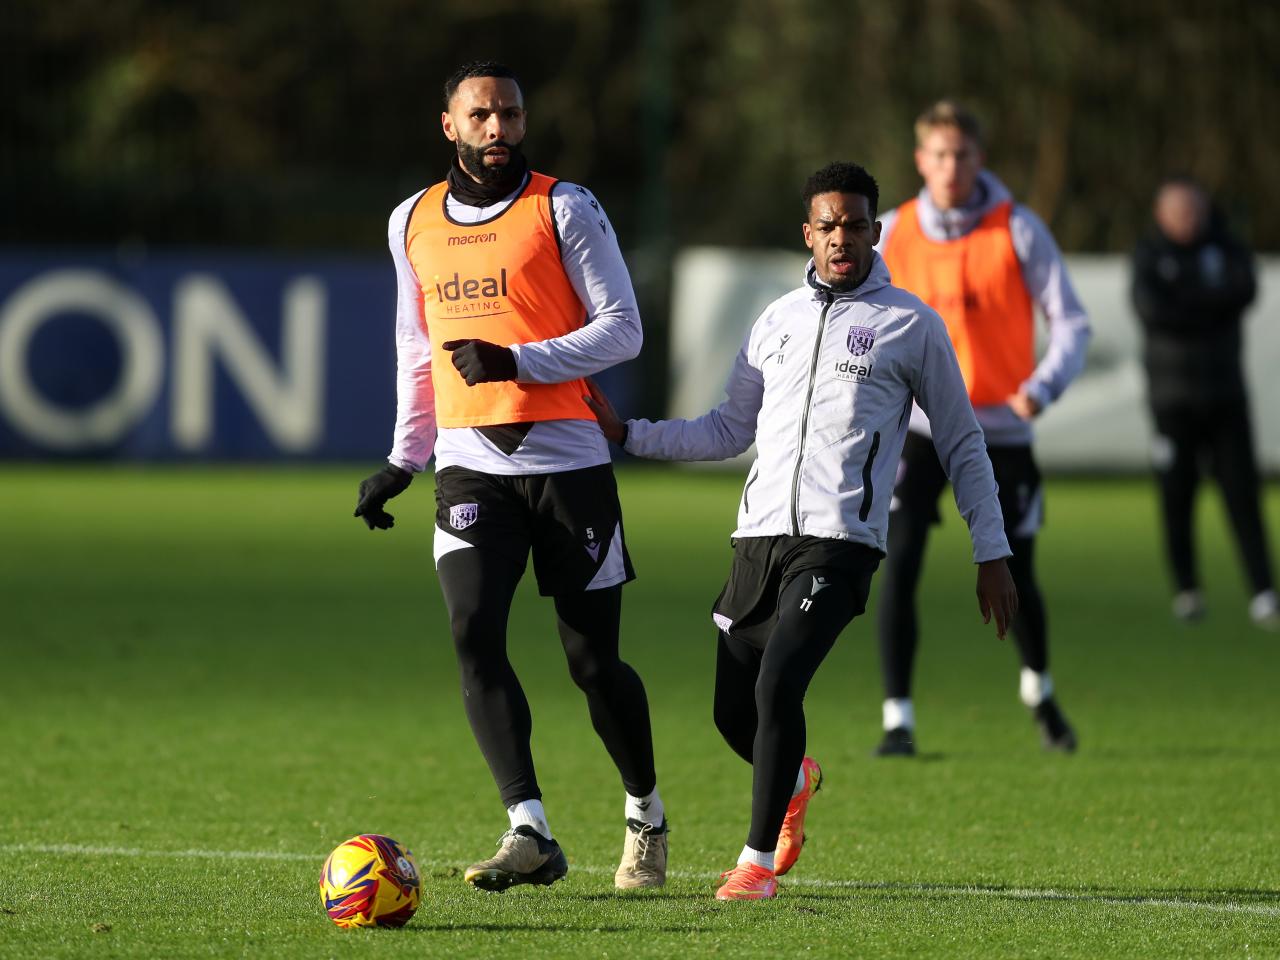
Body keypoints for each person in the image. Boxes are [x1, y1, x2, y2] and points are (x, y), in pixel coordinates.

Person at [586, 161, 1018, 901]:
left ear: (875, 232)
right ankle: (797, 779)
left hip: (841, 542)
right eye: (828, 225)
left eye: (855, 224)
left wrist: (992, 549)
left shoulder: (911, 325)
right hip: (758, 539)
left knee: (781, 679)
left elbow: (961, 441)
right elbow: (728, 428)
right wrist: (630, 433)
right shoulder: (775, 320)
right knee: (733, 710)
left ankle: (753, 866)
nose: (841, 237)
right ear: (808, 234)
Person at [352, 60, 668, 893]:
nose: (500, 130)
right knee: (471, 633)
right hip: (469, 468)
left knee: (593, 663)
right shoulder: (410, 220)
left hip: (568, 462)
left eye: (513, 116)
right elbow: (415, 352)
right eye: (483, 116)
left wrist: (518, 359)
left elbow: (624, 330)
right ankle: (529, 828)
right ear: (449, 126)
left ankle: (646, 813)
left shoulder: (565, 206)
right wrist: (401, 458)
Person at [871, 100, 1091, 757]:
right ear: (920, 161)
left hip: (1000, 430)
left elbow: (1073, 323)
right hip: (918, 429)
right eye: (938, 154)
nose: (950, 167)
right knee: (900, 560)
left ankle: (1040, 691)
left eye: (961, 154)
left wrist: (1042, 388)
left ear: (980, 159)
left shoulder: (1018, 229)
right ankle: (897, 718)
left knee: (1015, 569)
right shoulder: (890, 231)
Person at [1131, 176, 1279, 629]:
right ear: (1160, 214)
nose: (1186, 219)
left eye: (1193, 209)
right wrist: (1209, 306)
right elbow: (1156, 312)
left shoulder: (1226, 248)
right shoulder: (1150, 255)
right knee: (1177, 495)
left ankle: (1263, 591)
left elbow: (1244, 293)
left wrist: (1191, 304)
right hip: (1172, 402)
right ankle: (1187, 589)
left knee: (1242, 495)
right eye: (1177, 210)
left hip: (1226, 396)